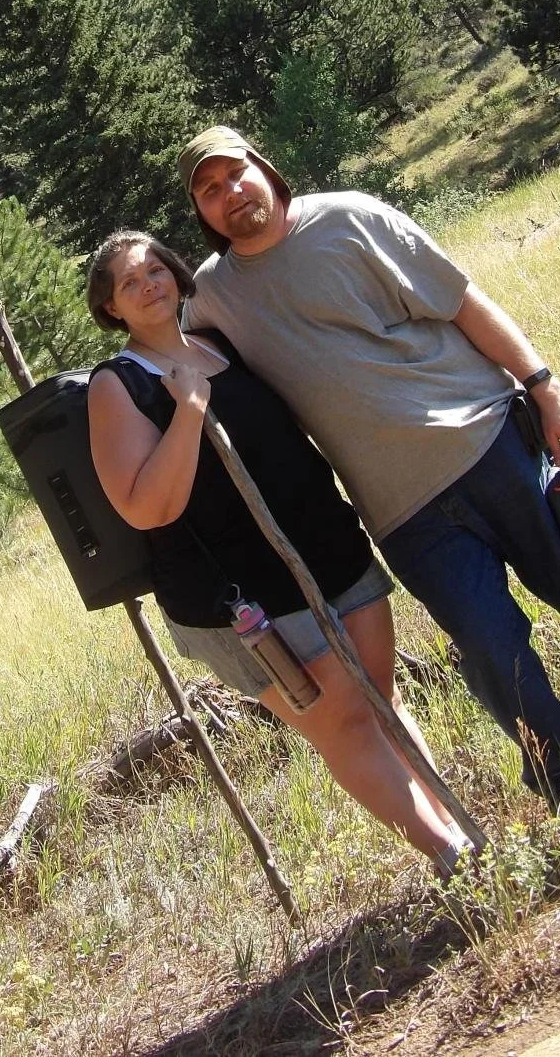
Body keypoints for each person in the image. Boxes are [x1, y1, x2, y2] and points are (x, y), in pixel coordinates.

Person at [177, 126, 560, 814]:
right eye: (208, 191)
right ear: (202, 215)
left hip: (492, 444)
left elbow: (463, 301)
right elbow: (164, 351)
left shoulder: (349, 217)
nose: (229, 194)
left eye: (234, 174)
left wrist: (546, 388)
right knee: (490, 652)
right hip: (403, 514)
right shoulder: (214, 298)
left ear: (264, 170)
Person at [85, 227, 474, 875]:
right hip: (239, 599)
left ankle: (457, 824)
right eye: (130, 281)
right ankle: (450, 853)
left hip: (327, 550)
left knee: (381, 696)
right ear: (110, 309)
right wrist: (186, 411)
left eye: (156, 267)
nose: (150, 282)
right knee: (343, 722)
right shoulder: (117, 385)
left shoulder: (216, 343)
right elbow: (147, 508)